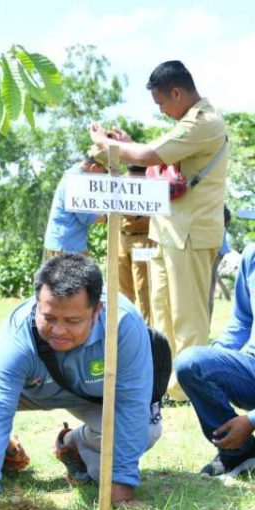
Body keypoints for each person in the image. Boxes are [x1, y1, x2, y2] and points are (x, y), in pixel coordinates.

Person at [0, 254, 162, 510]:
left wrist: (120, 487)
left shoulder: (123, 325)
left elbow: (133, 403)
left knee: (147, 429)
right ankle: (2, 452)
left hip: (90, 393)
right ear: (37, 304)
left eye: (73, 320)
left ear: (97, 310)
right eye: (48, 318)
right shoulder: (18, 334)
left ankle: (74, 445)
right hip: (28, 387)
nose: (58, 331)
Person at [89, 60, 228, 402]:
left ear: (177, 92)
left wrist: (107, 145)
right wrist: (127, 144)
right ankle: (166, 385)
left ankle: (188, 389)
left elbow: (151, 155)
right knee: (163, 315)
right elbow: (157, 160)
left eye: (162, 103)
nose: (163, 111)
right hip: (168, 232)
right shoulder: (186, 124)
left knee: (188, 317)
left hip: (191, 234)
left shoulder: (203, 122)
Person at [175, 243, 255, 477]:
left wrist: (250, 420)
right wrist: (214, 358)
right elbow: (242, 319)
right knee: (192, 363)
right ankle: (239, 453)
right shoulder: (252, 255)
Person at [43, 154, 106, 259]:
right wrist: (108, 218)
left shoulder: (74, 173)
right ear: (95, 168)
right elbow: (86, 217)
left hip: (65, 243)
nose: (104, 177)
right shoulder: (77, 181)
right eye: (104, 172)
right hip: (66, 247)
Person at [118, 165, 154, 325]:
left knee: (143, 288)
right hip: (122, 239)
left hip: (143, 240)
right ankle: (125, 325)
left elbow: (155, 215)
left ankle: (147, 328)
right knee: (121, 288)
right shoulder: (121, 183)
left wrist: (135, 214)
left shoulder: (151, 184)